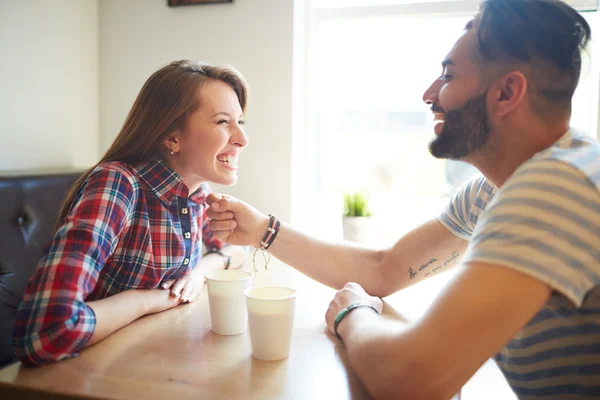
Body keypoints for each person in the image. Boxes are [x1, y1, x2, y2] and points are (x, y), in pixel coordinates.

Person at [206, 0, 600, 398]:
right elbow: (385, 269)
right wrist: (261, 230)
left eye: (448, 75)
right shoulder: (494, 190)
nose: (429, 95)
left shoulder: (557, 186)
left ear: (506, 92)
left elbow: (409, 380)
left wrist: (352, 314)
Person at [12, 60, 249, 366]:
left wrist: (200, 272)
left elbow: (236, 249)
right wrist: (148, 300)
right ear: (172, 137)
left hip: (154, 360)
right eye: (222, 122)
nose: (242, 139)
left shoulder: (193, 193)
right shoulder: (118, 183)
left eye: (240, 122)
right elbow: (45, 333)